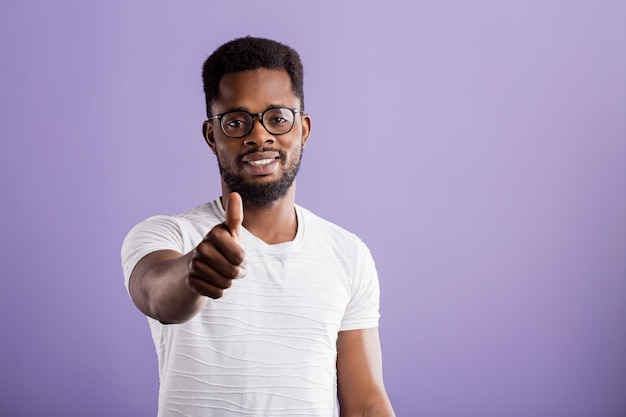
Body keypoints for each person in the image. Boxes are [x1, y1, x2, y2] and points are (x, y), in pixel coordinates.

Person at [121, 36, 395, 417]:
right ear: (211, 136)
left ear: (304, 128)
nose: (259, 135)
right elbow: (156, 296)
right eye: (236, 121)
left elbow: (365, 403)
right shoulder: (168, 235)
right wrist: (193, 273)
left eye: (278, 117)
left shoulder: (347, 254)